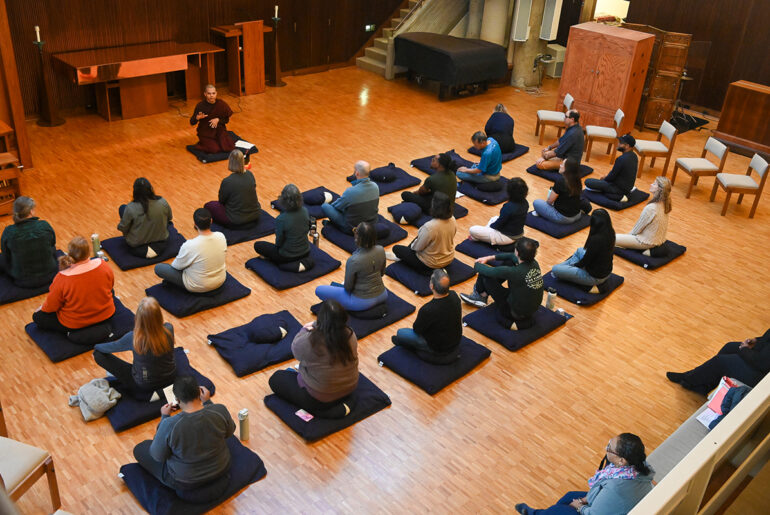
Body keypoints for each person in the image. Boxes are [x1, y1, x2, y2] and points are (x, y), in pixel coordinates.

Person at [132, 375, 235, 494]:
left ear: (177, 400)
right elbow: (229, 432)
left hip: (186, 482)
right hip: (222, 468)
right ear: (199, 393)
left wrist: (164, 417)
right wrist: (208, 402)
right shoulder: (219, 410)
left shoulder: (169, 424)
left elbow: (158, 456)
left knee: (140, 448)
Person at [515, 433, 654, 515]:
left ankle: (536, 513)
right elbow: (601, 491)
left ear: (621, 460)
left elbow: (594, 514)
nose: (606, 449)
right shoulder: (640, 465)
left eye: (609, 448)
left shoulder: (616, 487)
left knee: (560, 510)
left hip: (600, 510)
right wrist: (584, 499)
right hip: (612, 501)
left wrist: (580, 506)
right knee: (569, 497)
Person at [268, 300, 358, 418]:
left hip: (320, 395)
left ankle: (327, 411)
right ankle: (346, 404)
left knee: (276, 378)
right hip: (350, 387)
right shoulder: (350, 334)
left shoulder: (312, 340)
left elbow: (296, 351)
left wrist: (305, 329)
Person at [92, 297, 176, 396]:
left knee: (98, 354)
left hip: (145, 385)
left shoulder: (133, 337)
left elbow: (109, 347)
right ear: (159, 316)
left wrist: (96, 345)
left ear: (138, 318)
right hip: (170, 377)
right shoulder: (169, 328)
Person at [32, 236, 115, 333]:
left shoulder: (62, 277)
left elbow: (51, 306)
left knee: (38, 316)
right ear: (88, 252)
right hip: (106, 314)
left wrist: (42, 308)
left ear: (69, 253)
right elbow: (110, 286)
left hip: (74, 323)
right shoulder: (102, 264)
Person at [460, 237, 543, 330]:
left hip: (513, 312)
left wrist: (477, 263)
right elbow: (511, 256)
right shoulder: (534, 263)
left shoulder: (515, 272)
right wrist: (490, 257)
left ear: (518, 252)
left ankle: (480, 295)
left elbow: (486, 270)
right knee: (509, 262)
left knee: (486, 275)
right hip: (530, 309)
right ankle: (482, 295)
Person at [667, 328, 770, 395]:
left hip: (761, 376)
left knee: (720, 362)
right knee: (729, 347)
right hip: (762, 357)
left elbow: (761, 363)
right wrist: (757, 340)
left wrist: (745, 349)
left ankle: (688, 379)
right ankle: (704, 385)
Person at [393, 269, 462, 362]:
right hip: (455, 341)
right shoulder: (454, 296)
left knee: (401, 333)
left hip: (437, 348)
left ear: (431, 286)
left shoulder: (428, 309)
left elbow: (417, 329)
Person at [315, 222, 387, 311]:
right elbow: (382, 273)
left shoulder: (354, 260)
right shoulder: (381, 249)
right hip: (382, 294)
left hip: (361, 302)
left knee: (319, 290)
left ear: (357, 238)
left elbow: (348, 288)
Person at [154, 208, 227, 293]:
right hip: (220, 280)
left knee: (159, 268)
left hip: (198, 286)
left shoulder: (190, 245)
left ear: (195, 224)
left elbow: (176, 266)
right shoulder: (221, 236)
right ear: (211, 221)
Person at [389, 192, 456, 275]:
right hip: (448, 259)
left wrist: (412, 247)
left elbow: (417, 248)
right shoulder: (453, 219)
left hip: (431, 264)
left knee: (397, 249)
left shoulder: (430, 227)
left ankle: (427, 271)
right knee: (418, 239)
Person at [551, 209, 615, 292]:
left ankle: (563, 269)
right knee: (579, 250)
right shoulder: (610, 233)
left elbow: (585, 261)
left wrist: (574, 266)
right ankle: (564, 269)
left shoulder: (596, 240)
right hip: (605, 272)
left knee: (555, 269)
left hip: (594, 277)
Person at [0, 196, 57, 288]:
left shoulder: (8, 232)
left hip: (22, 281)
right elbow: (52, 243)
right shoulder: (44, 225)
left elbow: (6, 254)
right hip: (50, 275)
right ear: (31, 211)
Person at [254, 183, 311, 264]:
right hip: (306, 252)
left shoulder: (281, 219)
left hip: (287, 256)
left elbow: (279, 241)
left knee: (258, 245)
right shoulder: (305, 211)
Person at [203, 150, 262, 227]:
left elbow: (222, 200)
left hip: (235, 219)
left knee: (209, 205)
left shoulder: (227, 181)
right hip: (255, 214)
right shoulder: (250, 174)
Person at [118, 178, 173, 259]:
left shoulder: (130, 208)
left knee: (122, 208)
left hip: (136, 246)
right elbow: (169, 218)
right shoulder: (163, 202)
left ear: (135, 191)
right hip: (161, 241)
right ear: (150, 189)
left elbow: (123, 227)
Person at [615, 177, 672, 253]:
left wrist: (626, 239)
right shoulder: (665, 204)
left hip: (646, 242)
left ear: (659, 190)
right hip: (657, 240)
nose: (651, 184)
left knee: (611, 239)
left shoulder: (651, 208)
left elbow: (637, 229)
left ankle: (646, 250)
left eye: (654, 184)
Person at [321, 161, 379, 234]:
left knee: (325, 206)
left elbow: (336, 207)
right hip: (371, 224)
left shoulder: (351, 191)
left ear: (357, 173)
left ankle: (334, 225)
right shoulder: (375, 186)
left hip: (351, 228)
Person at [469, 177, 529, 246]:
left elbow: (498, 224)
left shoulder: (509, 207)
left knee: (473, 229)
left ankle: (479, 237)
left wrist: (490, 228)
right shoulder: (525, 202)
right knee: (494, 218)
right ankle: (484, 233)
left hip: (507, 237)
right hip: (518, 233)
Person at [584, 134, 639, 201]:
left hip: (618, 188)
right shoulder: (634, 156)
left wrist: (604, 179)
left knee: (588, 182)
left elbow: (611, 177)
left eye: (621, 143)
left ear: (627, 146)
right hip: (628, 187)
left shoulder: (621, 159)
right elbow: (616, 173)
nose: (618, 144)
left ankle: (619, 196)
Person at [532, 159, 587, 224]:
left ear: (567, 169)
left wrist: (546, 207)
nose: (560, 166)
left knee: (537, 202)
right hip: (577, 215)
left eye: (562, 164)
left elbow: (550, 201)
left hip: (564, 218)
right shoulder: (578, 179)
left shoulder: (561, 181)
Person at [189, 84, 235, 154]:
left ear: (216, 93)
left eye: (213, 93)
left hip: (219, 129)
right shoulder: (200, 106)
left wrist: (218, 120)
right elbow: (192, 122)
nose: (211, 95)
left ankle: (217, 140)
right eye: (209, 93)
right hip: (206, 132)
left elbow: (226, 120)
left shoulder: (221, 104)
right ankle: (200, 144)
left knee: (228, 147)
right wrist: (197, 118)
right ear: (205, 94)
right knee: (214, 149)